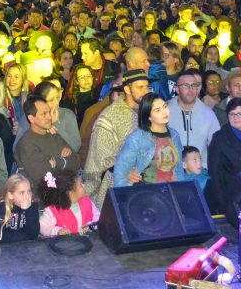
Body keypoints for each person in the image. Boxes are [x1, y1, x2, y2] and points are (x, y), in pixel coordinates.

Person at [83, 69, 150, 209]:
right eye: (140, 87)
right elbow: (101, 157)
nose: (146, 91)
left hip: (146, 187)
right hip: (117, 189)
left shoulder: (149, 112)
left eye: (147, 86)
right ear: (127, 89)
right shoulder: (109, 117)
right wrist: (124, 169)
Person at [207, 98, 241, 227]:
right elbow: (215, 171)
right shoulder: (220, 137)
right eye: (232, 114)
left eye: (240, 114)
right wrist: (222, 202)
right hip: (233, 193)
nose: (235, 118)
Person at [14, 95, 80, 198]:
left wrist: (55, 162)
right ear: (31, 118)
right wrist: (64, 162)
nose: (50, 117)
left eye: (49, 112)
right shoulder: (26, 144)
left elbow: (76, 161)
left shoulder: (53, 134)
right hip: (44, 201)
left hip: (65, 196)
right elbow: (44, 178)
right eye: (44, 114)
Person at [114, 92, 184, 187]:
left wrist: (180, 189)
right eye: (157, 110)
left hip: (169, 191)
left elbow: (179, 170)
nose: (164, 112)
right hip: (145, 191)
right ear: (149, 116)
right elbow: (120, 172)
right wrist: (127, 177)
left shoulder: (174, 135)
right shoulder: (137, 138)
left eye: (165, 106)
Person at [167, 68, 221, 169]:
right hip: (171, 171)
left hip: (200, 171)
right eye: (186, 85)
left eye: (194, 86)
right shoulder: (165, 111)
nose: (191, 90)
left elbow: (217, 145)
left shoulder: (208, 114)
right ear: (177, 89)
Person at [39, 170, 100, 237]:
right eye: (81, 185)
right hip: (66, 243)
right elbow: (42, 226)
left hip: (86, 241)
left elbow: (99, 219)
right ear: (70, 193)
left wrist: (91, 226)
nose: (84, 185)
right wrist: (57, 231)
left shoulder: (87, 201)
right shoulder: (53, 210)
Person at [0, 174, 39, 244]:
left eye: (29, 191)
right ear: (10, 195)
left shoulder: (32, 206)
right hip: (5, 248)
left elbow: (34, 234)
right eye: (22, 193)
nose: (27, 196)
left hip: (27, 247)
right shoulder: (1, 207)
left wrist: (28, 210)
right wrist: (25, 236)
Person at [34, 81, 81, 152]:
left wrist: (56, 124)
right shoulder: (32, 117)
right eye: (51, 100)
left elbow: (76, 146)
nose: (57, 102)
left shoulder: (67, 115)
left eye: (57, 97)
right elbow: (21, 149)